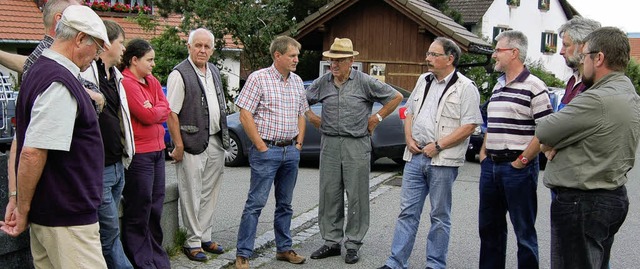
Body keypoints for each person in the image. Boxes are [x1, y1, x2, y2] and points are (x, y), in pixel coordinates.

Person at [0, 5, 111, 268]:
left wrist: (20, 202)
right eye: (96, 46)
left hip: (54, 213)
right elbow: (32, 151)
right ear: (80, 38)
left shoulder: (40, 70)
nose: (96, 56)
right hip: (67, 217)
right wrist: (22, 208)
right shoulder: (59, 81)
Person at [536, 26, 640, 269]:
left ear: (599, 58)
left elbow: (544, 130)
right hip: (610, 195)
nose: (581, 63)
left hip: (583, 202)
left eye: (584, 57)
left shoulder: (597, 98)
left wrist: (553, 143)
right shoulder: (629, 93)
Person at [378, 37, 482, 269]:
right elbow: (409, 112)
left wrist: (439, 145)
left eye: (434, 54)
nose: (428, 58)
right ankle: (396, 262)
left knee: (439, 216)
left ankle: (435, 265)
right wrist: (408, 138)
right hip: (415, 156)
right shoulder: (423, 80)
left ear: (450, 58)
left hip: (442, 160)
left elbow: (470, 126)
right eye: (428, 54)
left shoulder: (465, 87)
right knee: (407, 213)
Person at [306, 38, 402, 264]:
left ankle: (353, 244)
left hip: (356, 144)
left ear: (351, 61)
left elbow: (395, 97)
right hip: (329, 143)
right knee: (330, 193)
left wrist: (376, 118)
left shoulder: (365, 82)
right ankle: (331, 241)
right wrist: (311, 117)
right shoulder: (323, 82)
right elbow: (301, 100)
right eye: (331, 60)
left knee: (357, 195)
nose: (334, 65)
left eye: (339, 60)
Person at [1, 0, 84, 229]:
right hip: (63, 203)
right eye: (79, 13)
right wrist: (18, 202)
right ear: (60, 21)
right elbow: (27, 147)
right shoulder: (50, 64)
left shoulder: (55, 60)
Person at [478, 30, 552, 269]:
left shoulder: (535, 86)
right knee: (489, 230)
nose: (494, 55)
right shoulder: (498, 86)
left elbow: (545, 130)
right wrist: (483, 152)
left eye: (498, 50)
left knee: (524, 231)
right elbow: (492, 121)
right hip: (491, 167)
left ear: (514, 52)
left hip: (517, 169)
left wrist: (522, 160)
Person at [234, 36, 308, 269]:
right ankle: (243, 254)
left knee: (285, 205)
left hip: (290, 151)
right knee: (255, 204)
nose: (296, 59)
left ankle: (284, 249)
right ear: (278, 56)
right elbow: (244, 113)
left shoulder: (297, 81)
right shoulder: (259, 78)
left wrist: (299, 144)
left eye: (297, 55)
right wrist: (261, 146)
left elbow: (301, 113)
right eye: (292, 55)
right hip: (267, 150)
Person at [167, 28, 230, 262]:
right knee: (191, 193)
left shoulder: (213, 70)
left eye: (207, 46)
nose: (202, 50)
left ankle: (204, 236)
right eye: (198, 45)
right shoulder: (179, 74)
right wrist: (179, 145)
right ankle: (192, 242)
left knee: (209, 192)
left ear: (212, 50)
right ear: (189, 47)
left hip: (215, 139)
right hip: (191, 142)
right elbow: (171, 113)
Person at [79, 20, 135, 269]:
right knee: (109, 234)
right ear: (105, 43)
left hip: (117, 165)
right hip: (97, 169)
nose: (124, 49)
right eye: (120, 43)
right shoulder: (85, 72)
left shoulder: (117, 77)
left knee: (110, 231)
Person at [120, 38, 171, 269]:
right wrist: (154, 110)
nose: (153, 64)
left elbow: (165, 107)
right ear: (134, 60)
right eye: (149, 60)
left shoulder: (151, 80)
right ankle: (142, 261)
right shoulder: (127, 83)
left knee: (156, 205)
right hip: (140, 154)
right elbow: (147, 116)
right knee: (140, 207)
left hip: (158, 150)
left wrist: (155, 108)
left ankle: (157, 258)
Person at [557, 17, 601, 110]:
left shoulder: (596, 85)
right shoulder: (573, 80)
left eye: (566, 45)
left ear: (583, 46)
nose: (561, 51)